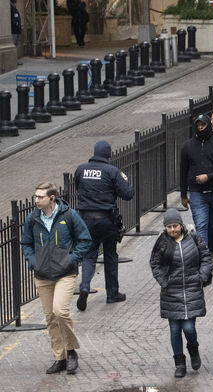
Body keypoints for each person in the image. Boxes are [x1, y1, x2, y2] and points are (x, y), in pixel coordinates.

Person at [20, 182, 92, 375]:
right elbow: (26, 242)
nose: (36, 200)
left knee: (60, 311)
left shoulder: (69, 215)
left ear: (52, 198)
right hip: (42, 275)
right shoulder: (32, 219)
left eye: (40, 197)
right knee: (51, 318)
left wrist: (72, 259)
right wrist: (33, 261)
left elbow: (85, 240)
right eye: (35, 196)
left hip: (65, 273)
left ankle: (71, 352)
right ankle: (59, 358)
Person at [150, 208, 213, 378]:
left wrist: (202, 276)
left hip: (192, 289)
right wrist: (163, 281)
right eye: (169, 227)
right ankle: (179, 363)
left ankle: (193, 350)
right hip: (172, 292)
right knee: (174, 330)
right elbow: (154, 263)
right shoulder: (162, 243)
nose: (172, 230)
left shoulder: (193, 237)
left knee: (189, 327)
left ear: (181, 225)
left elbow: (206, 257)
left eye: (175, 226)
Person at [74, 140, 134, 311]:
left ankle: (85, 285)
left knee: (88, 255)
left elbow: (78, 188)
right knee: (110, 255)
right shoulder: (112, 171)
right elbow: (128, 194)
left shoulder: (81, 169)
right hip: (106, 220)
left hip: (86, 220)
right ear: (108, 154)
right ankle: (112, 293)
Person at [179, 114, 213, 257]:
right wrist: (183, 194)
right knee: (201, 224)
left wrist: (208, 177)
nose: (200, 127)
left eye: (203, 124)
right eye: (198, 125)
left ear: (208, 125)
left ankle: (211, 250)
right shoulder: (187, 146)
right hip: (197, 193)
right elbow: (183, 171)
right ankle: (204, 257)